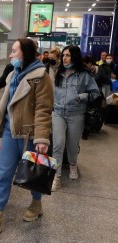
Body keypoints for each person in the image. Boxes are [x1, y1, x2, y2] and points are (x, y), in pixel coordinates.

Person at [0, 38, 54, 234]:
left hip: (30, 135)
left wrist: (41, 139)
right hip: (10, 132)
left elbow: (43, 110)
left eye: (14, 51)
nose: (10, 55)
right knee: (3, 174)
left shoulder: (41, 76)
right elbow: (6, 100)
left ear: (25, 53)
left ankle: (36, 204)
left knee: (32, 174)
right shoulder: (13, 74)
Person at [51, 46, 100, 192]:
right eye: (63, 55)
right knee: (58, 144)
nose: (64, 58)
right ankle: (56, 176)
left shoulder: (84, 75)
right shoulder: (58, 73)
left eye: (68, 55)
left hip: (76, 114)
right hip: (58, 112)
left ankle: (73, 165)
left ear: (75, 57)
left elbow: (95, 93)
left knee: (72, 145)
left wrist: (81, 96)